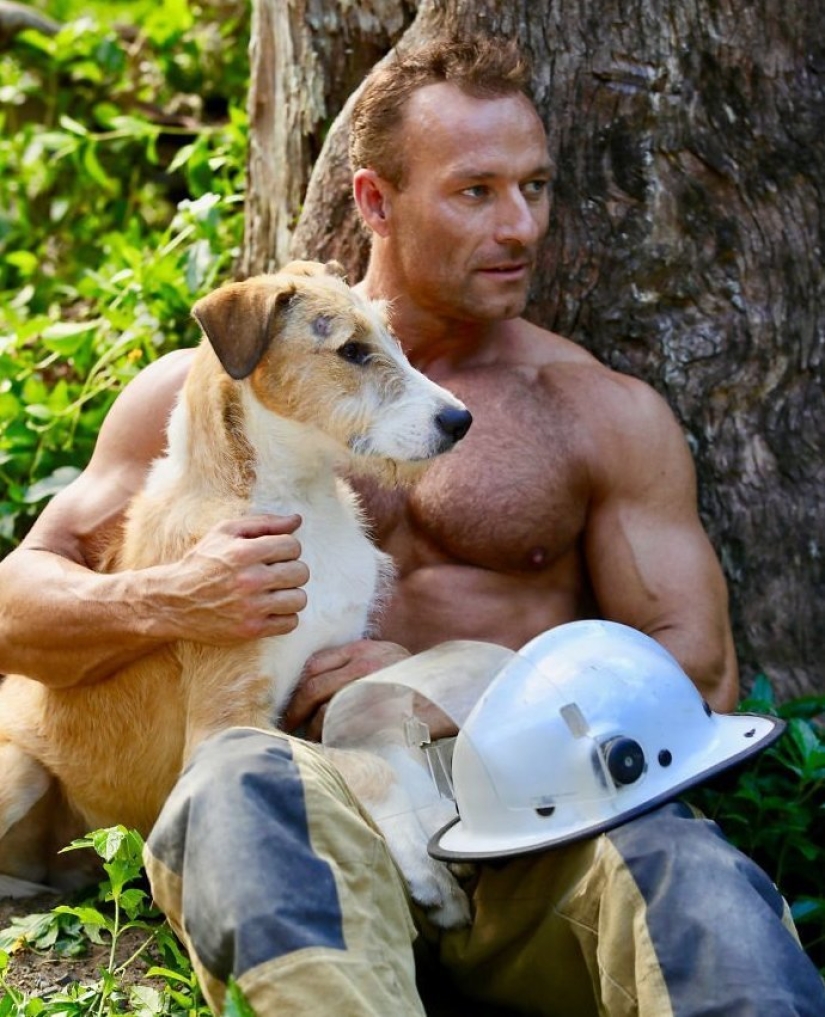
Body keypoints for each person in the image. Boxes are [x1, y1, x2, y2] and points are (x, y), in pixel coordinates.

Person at [0, 34, 822, 1017]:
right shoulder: (210, 393)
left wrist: (446, 685)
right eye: (477, 191)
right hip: (304, 819)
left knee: (691, 872)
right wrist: (167, 597)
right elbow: (17, 611)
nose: (521, 224)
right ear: (375, 201)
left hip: (529, 819)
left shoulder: (595, 411)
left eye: (537, 186)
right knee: (236, 784)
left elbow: (698, 675)